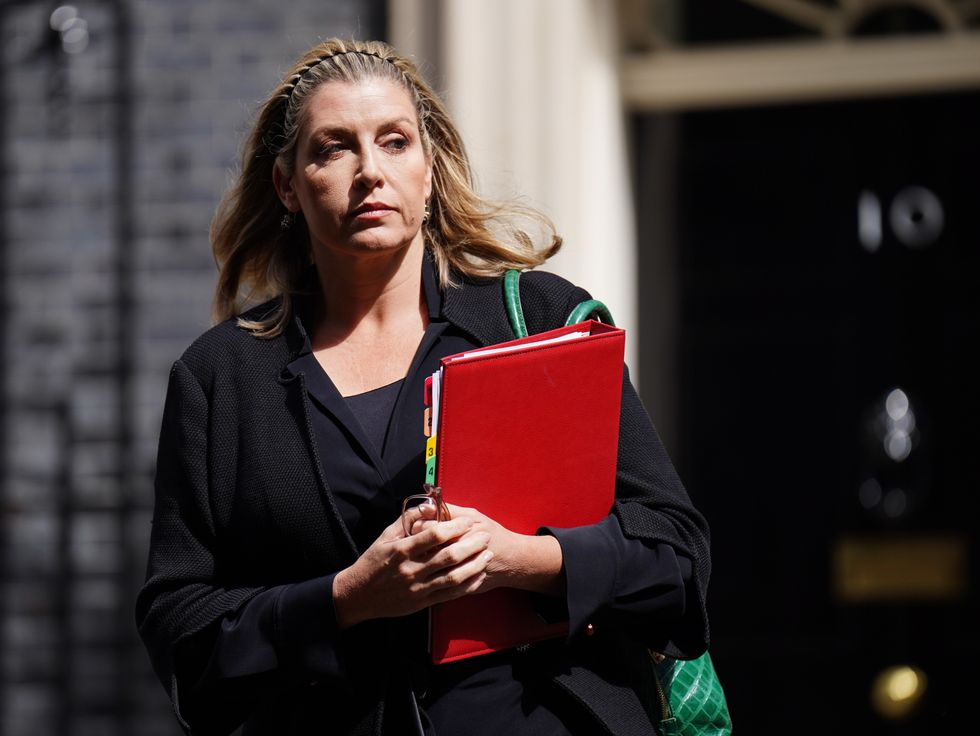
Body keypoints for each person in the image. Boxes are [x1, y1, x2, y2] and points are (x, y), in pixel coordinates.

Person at [135, 38, 711, 736]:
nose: (369, 171)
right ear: (287, 185)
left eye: (395, 142)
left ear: (430, 168)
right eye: (333, 148)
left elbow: (677, 562)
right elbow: (181, 634)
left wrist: (521, 559)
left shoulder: (536, 323)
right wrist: (347, 598)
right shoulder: (220, 381)